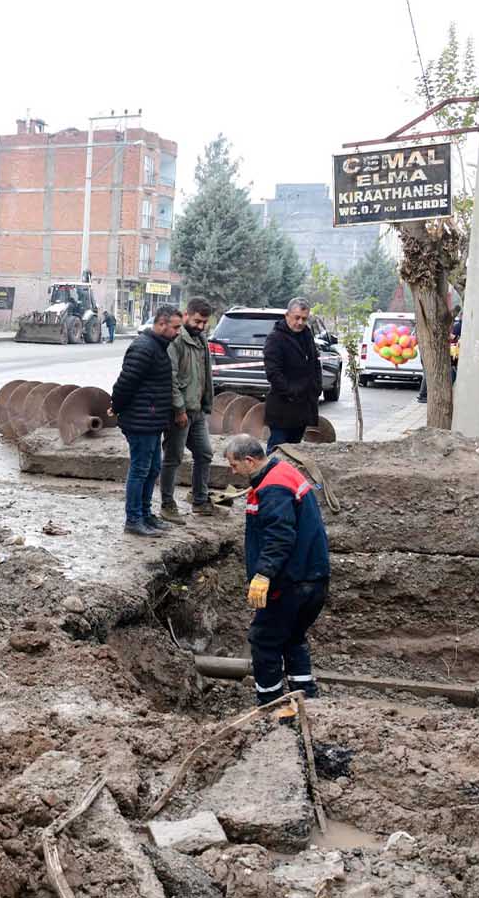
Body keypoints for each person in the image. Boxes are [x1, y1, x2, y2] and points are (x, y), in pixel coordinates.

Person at [224, 434, 330, 705]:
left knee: (264, 640)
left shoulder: (272, 487)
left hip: (291, 581)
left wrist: (263, 574)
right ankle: (305, 698)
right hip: (313, 576)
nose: (231, 471)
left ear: (249, 461)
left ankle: (271, 704)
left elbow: (280, 537)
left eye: (234, 465)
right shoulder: (282, 471)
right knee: (293, 637)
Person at [111, 305, 182, 537]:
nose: (178, 332)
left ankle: (145, 514)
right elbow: (125, 383)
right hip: (140, 421)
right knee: (140, 470)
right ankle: (133, 519)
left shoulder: (158, 347)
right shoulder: (144, 348)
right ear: (161, 325)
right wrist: (117, 407)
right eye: (175, 327)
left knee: (152, 469)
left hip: (152, 420)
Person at [159, 297, 216, 522]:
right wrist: (179, 408)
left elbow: (205, 374)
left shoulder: (201, 339)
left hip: (198, 411)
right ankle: (167, 504)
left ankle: (200, 500)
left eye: (204, 322)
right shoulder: (176, 341)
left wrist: (206, 404)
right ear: (186, 315)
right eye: (197, 321)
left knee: (204, 453)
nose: (201, 326)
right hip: (179, 412)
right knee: (173, 458)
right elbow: (170, 378)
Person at [262, 297, 322, 453]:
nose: (300, 322)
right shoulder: (275, 339)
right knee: (277, 451)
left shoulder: (306, 335)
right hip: (282, 407)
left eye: (304, 318)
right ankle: (269, 477)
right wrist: (291, 392)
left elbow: (315, 363)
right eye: (297, 318)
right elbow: (273, 373)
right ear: (287, 315)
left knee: (294, 452)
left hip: (303, 408)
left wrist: (316, 388)